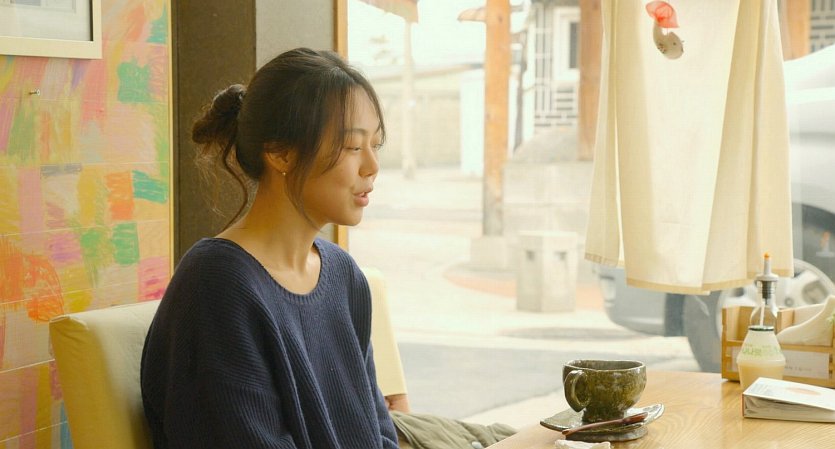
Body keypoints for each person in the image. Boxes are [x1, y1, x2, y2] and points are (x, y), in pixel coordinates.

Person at [140, 47, 399, 448]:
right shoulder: (217, 284)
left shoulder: (343, 275)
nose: (372, 166)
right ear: (280, 152)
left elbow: (377, 433)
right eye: (352, 147)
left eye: (375, 145)